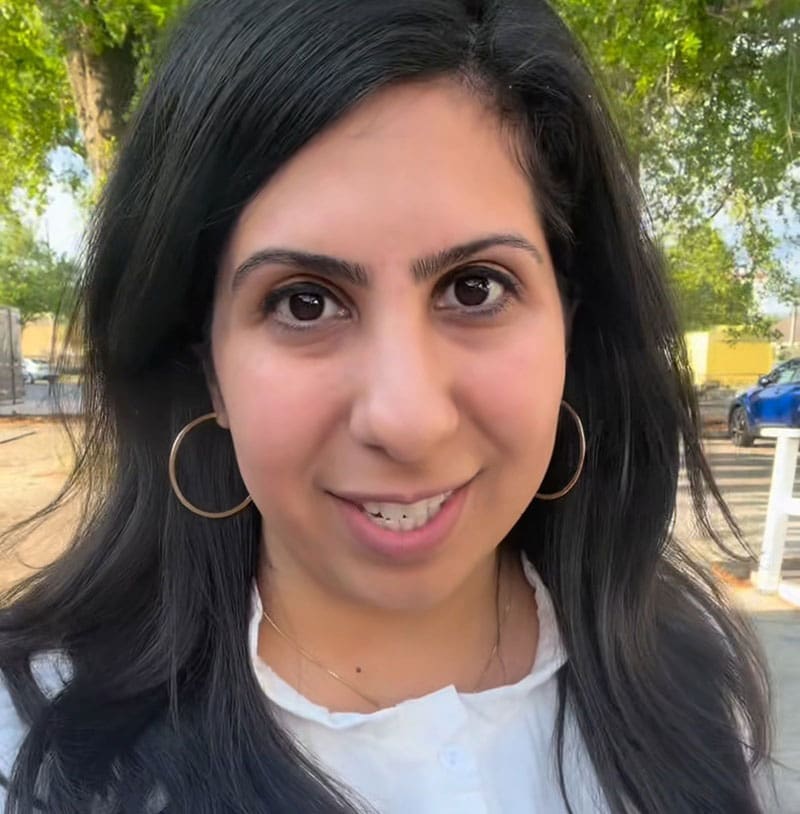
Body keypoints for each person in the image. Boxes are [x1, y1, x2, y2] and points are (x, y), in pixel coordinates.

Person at [0, 0, 772, 812]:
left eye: (475, 289)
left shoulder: (686, 685)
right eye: (304, 302)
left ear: (569, 327)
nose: (407, 422)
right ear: (209, 365)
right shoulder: (35, 750)